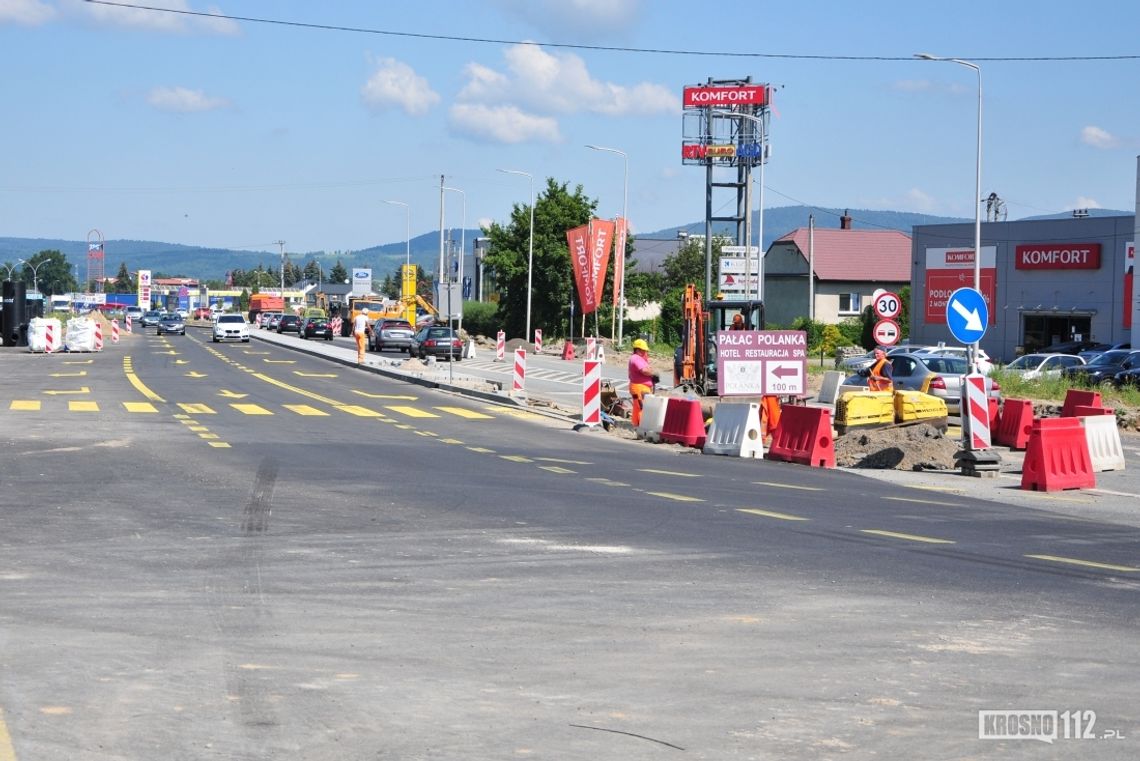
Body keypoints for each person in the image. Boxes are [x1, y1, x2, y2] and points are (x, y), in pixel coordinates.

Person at [627, 338, 659, 427]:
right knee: (643, 408)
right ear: (637, 350)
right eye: (643, 350)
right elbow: (644, 370)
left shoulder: (639, 358)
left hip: (639, 387)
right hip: (639, 388)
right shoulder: (636, 358)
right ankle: (643, 427)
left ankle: (636, 425)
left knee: (637, 408)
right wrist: (653, 374)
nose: (645, 352)